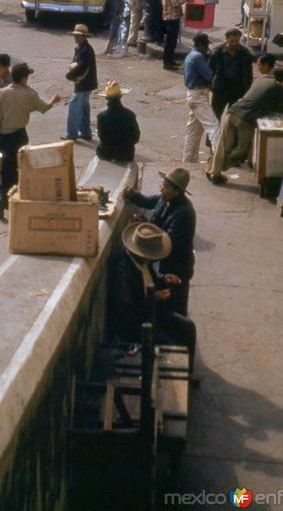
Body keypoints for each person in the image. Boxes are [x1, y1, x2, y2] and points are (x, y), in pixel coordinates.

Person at [111, 222, 197, 369]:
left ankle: (187, 373)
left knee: (188, 328)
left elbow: (151, 279)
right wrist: (153, 298)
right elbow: (127, 311)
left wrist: (164, 279)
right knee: (171, 345)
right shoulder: (123, 270)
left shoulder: (143, 262)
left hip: (153, 313)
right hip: (137, 325)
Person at [0, 62, 61, 219]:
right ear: (24, 79)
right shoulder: (29, 95)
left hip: (2, 137)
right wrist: (53, 100)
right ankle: (6, 200)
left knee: (6, 171)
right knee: (18, 170)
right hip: (18, 137)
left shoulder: (1, 93)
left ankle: (5, 199)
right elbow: (44, 108)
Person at [124, 168, 196, 316]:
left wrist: (148, 230)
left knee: (176, 307)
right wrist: (132, 195)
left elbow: (169, 241)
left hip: (177, 266)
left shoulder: (184, 213)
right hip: (163, 266)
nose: (162, 189)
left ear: (177, 192)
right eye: (163, 184)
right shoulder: (165, 199)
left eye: (167, 187)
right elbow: (148, 201)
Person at [207, 55, 283, 184]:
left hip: (233, 112)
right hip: (246, 119)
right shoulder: (277, 87)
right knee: (241, 151)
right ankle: (215, 171)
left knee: (223, 145)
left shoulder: (259, 79)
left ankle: (213, 170)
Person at [182, 33, 221, 164]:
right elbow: (209, 75)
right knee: (213, 127)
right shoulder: (198, 57)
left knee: (194, 131)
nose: (207, 48)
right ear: (201, 45)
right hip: (198, 96)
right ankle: (218, 159)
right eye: (206, 46)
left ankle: (189, 161)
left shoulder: (191, 55)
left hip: (193, 94)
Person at [209, 28, 254, 120]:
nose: (234, 44)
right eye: (232, 41)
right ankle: (213, 135)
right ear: (226, 39)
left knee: (234, 119)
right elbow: (210, 70)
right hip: (220, 90)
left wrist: (247, 89)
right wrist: (211, 87)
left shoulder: (244, 53)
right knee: (215, 117)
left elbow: (249, 73)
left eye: (237, 41)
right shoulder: (217, 52)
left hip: (237, 89)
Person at [63, 23, 98, 141]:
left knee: (74, 108)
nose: (75, 38)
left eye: (78, 36)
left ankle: (72, 133)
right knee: (84, 108)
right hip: (86, 83)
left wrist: (69, 75)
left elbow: (81, 68)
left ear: (83, 37)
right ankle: (85, 132)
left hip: (83, 83)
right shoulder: (83, 48)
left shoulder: (85, 50)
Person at [96, 81, 140, 162]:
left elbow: (101, 136)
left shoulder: (101, 116)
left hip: (106, 153)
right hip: (126, 154)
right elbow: (136, 137)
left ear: (106, 98)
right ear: (120, 97)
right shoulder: (129, 115)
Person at [161, 0, 190, 70]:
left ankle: (170, 61)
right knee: (171, 42)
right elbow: (175, 3)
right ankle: (167, 63)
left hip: (168, 16)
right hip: (172, 17)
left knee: (171, 42)